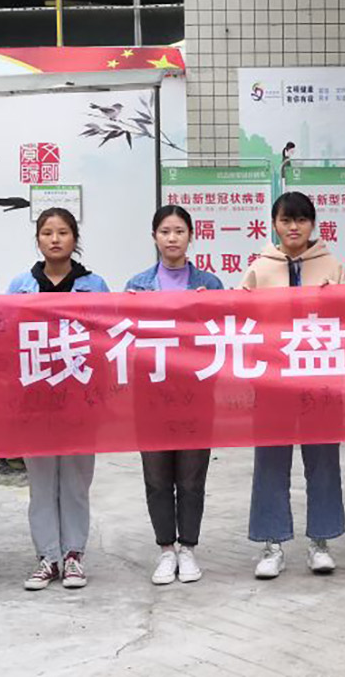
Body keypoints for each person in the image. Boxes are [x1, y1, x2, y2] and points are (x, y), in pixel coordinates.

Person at [241, 191, 345, 579]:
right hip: (273, 381)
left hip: (321, 378)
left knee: (323, 461)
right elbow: (240, 320)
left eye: (301, 220)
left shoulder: (331, 265)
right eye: (286, 220)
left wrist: (337, 302)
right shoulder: (259, 269)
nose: (293, 227)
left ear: (312, 224)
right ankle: (272, 544)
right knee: (270, 461)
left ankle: (321, 541)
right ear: (274, 223)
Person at [7, 208, 109, 591]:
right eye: (47, 232)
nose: (54, 239)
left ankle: (74, 555)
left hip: (80, 398)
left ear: (74, 239)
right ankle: (47, 557)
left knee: (76, 483)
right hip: (35, 400)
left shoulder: (95, 285)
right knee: (41, 484)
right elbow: (4, 338)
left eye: (63, 232)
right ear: (37, 239)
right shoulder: (20, 286)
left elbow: (108, 340)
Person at [125, 205, 225, 585]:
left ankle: (189, 548)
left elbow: (225, 335)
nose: (172, 238)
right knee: (156, 477)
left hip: (195, 395)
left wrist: (207, 310)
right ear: (154, 237)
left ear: (190, 236)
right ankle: (166, 549)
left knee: (192, 477)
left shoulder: (210, 284)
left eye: (179, 231)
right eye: (165, 231)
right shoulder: (137, 285)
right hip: (151, 397)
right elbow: (125, 340)